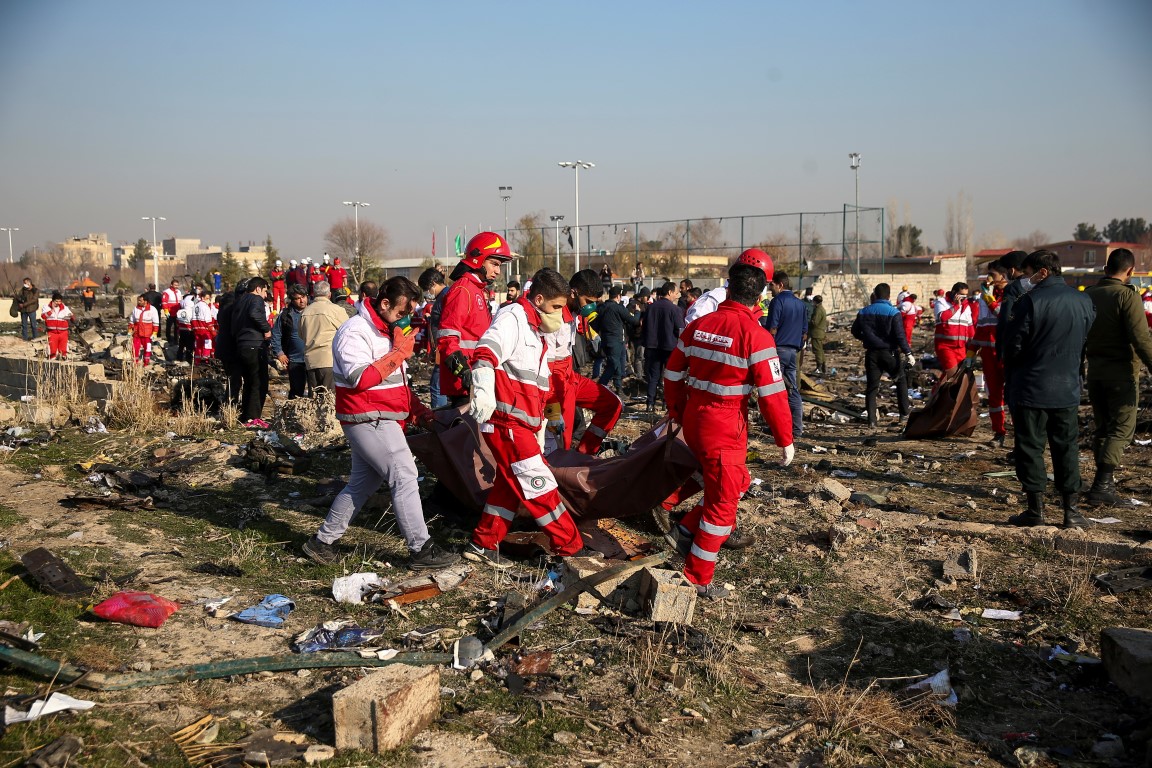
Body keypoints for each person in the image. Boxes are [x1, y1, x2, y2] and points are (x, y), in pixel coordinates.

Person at [302, 276, 458, 571]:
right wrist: (399, 352)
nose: (404, 320)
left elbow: (395, 384)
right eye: (401, 314)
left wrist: (419, 412)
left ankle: (321, 543)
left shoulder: (386, 331)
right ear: (384, 304)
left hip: (379, 417)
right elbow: (361, 379)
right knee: (404, 474)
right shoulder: (355, 331)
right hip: (367, 417)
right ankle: (421, 549)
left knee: (363, 483)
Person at [663, 259, 795, 599]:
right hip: (725, 428)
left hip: (695, 418)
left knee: (732, 479)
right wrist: (785, 439)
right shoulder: (757, 336)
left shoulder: (700, 324)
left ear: (729, 285)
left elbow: (673, 373)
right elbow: (773, 396)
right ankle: (697, 577)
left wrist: (677, 411)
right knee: (723, 507)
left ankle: (676, 517)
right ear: (762, 293)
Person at [464, 268, 593, 568]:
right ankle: (570, 547)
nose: (561, 316)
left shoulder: (537, 332)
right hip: (506, 423)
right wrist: (483, 391)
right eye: (557, 307)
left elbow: (542, 387)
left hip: (519, 424)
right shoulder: (513, 319)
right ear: (538, 299)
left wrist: (553, 417)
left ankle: (483, 544)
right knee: (541, 487)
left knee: (510, 487)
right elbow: (485, 353)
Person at [1001, 250, 1095, 529]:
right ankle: (1071, 511)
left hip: (1031, 388)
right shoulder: (1083, 300)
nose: (1024, 278)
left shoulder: (1030, 301)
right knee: (1066, 447)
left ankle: (1036, 510)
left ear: (1041, 272)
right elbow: (1084, 339)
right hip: (1067, 389)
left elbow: (1011, 345)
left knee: (1030, 447)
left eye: (1027, 272)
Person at [1083, 248, 1152, 507]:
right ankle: (1102, 485)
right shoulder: (1127, 297)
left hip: (1095, 372)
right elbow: (1141, 338)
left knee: (1102, 428)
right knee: (1122, 429)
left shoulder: (1088, 295)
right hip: (1122, 374)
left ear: (1104, 269)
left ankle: (1103, 484)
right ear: (1131, 271)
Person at [543, 270, 623, 454]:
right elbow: (546, 370)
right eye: (587, 301)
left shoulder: (574, 313)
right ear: (573, 292)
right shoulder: (553, 317)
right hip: (554, 385)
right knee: (561, 439)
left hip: (569, 378)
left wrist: (593, 333)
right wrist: (552, 408)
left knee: (613, 405)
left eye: (593, 302)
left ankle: (585, 454)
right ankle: (562, 472)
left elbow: (580, 325)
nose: (590, 307)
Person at [437, 232, 513, 407]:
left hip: (478, 378)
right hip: (466, 384)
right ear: (478, 259)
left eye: (499, 265)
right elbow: (447, 338)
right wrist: (463, 372)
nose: (498, 271)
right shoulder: (463, 290)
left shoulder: (477, 290)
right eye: (494, 264)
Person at [851, 283, 911, 427]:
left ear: (875, 295)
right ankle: (903, 415)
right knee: (900, 381)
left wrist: (866, 339)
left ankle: (872, 420)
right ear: (889, 296)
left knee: (872, 387)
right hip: (890, 353)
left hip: (872, 353)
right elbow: (900, 335)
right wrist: (908, 352)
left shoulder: (864, 311)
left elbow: (854, 331)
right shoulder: (893, 312)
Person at [763, 270, 807, 439]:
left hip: (778, 350)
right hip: (793, 352)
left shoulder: (777, 302)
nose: (770, 289)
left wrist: (768, 348)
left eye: (771, 285)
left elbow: (772, 328)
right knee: (793, 390)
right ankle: (797, 428)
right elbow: (804, 333)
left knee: (775, 390)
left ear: (780, 284)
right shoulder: (800, 304)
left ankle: (777, 427)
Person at [969, 264, 1010, 446]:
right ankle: (999, 433)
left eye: (992, 275)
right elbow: (982, 326)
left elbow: (1004, 315)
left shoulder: (1012, 294)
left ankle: (1023, 437)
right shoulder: (984, 298)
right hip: (988, 354)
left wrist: (990, 299)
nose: (989, 279)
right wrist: (972, 351)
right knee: (994, 396)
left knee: (1015, 395)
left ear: (1004, 275)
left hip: (1008, 354)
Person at [231, 277, 273, 426]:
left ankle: (246, 417)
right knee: (259, 382)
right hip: (254, 345)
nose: (265, 295)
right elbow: (255, 314)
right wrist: (266, 329)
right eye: (265, 291)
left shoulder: (240, 300)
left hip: (241, 344)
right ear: (258, 289)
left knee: (249, 382)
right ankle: (254, 418)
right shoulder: (256, 300)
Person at [299, 281, 348, 394]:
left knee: (315, 400)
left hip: (310, 361)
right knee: (329, 400)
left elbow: (301, 335)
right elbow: (347, 332)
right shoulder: (336, 310)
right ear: (329, 294)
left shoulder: (305, 312)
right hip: (329, 360)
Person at [643, 282, 684, 412]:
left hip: (652, 346)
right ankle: (667, 403)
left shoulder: (651, 307)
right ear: (670, 292)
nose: (677, 295)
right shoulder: (675, 309)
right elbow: (680, 329)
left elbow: (645, 326)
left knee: (653, 377)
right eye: (676, 292)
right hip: (669, 347)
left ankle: (650, 403)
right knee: (668, 377)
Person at [594, 286, 638, 392]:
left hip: (605, 340)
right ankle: (602, 387)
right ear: (618, 296)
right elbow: (634, 321)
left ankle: (615, 388)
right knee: (614, 365)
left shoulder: (601, 307)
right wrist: (637, 312)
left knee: (614, 364)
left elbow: (594, 324)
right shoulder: (618, 308)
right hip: (616, 341)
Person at [417, 268, 450, 408]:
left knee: (437, 386)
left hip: (445, 349)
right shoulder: (443, 297)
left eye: (427, 289)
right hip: (441, 349)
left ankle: (441, 421)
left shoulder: (445, 298)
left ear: (433, 283)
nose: (427, 293)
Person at [271, 284, 309, 398]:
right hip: (295, 359)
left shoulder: (315, 312)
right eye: (297, 298)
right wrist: (280, 353)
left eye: (303, 297)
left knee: (315, 391)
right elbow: (276, 334)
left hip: (313, 358)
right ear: (292, 300)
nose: (301, 301)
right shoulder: (286, 315)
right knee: (296, 392)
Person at [932, 281, 974, 373]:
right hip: (945, 346)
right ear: (954, 293)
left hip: (961, 347)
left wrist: (973, 345)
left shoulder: (966, 307)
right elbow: (943, 317)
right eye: (961, 295)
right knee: (952, 372)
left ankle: (940, 387)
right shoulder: (941, 303)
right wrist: (956, 306)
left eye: (966, 295)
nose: (964, 298)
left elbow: (970, 326)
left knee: (960, 374)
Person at [129, 294, 160, 366]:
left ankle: (146, 362)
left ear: (145, 301)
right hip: (137, 333)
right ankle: (135, 362)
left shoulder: (152, 309)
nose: (138, 302)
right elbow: (132, 321)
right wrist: (129, 331)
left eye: (140, 300)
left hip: (147, 334)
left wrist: (155, 333)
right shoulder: (136, 309)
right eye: (138, 300)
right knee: (135, 348)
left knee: (147, 349)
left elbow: (156, 323)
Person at [627, 287, 649, 381]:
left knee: (642, 356)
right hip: (636, 335)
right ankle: (639, 376)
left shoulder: (645, 305)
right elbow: (630, 321)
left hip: (643, 334)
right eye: (647, 296)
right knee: (639, 356)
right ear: (643, 296)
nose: (647, 299)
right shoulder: (632, 305)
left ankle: (642, 374)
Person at [41, 292, 72, 360]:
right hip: (52, 332)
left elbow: (71, 316)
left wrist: (71, 316)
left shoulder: (65, 308)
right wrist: (50, 311)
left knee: (63, 348)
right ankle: (52, 359)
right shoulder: (46, 307)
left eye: (59, 301)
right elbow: (43, 316)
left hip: (63, 331)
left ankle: (63, 358)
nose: (58, 303)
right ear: (53, 300)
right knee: (52, 348)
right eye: (56, 301)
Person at [191, 288, 218, 362]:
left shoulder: (195, 306)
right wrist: (213, 333)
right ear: (203, 298)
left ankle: (197, 362)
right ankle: (205, 362)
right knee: (207, 346)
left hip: (196, 330)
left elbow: (192, 319)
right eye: (207, 298)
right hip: (205, 331)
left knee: (198, 346)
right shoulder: (205, 307)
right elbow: (208, 322)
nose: (208, 300)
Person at [809, 295, 827, 375]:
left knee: (817, 350)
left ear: (815, 301)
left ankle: (819, 367)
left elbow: (815, 322)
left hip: (816, 333)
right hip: (820, 333)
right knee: (820, 350)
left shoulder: (818, 310)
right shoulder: (821, 309)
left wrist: (809, 322)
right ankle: (823, 367)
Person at [161, 279, 182, 344]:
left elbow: (180, 301)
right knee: (169, 326)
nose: (176, 286)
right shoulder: (167, 292)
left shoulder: (178, 292)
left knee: (177, 326)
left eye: (177, 285)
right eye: (175, 285)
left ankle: (176, 339)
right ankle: (168, 338)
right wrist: (166, 311)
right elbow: (164, 302)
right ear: (171, 285)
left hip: (177, 312)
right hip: (170, 312)